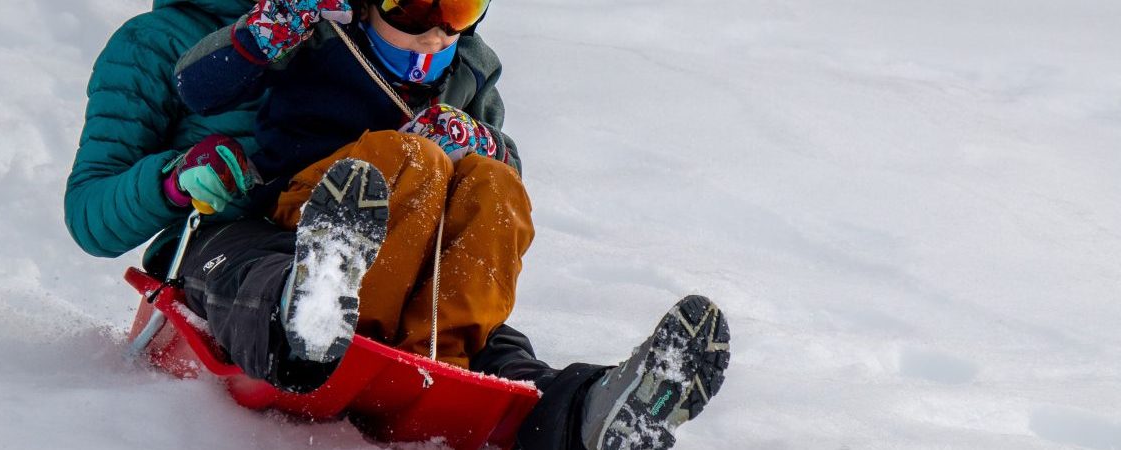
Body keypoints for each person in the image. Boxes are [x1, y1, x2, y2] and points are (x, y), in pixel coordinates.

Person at [66, 1, 730, 449]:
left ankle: (583, 410)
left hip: (387, 252)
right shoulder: (163, 43)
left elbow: (488, 177)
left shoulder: (393, 28)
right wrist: (173, 179)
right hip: (233, 241)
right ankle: (305, 316)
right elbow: (91, 215)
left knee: (486, 340)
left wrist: (481, 144)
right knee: (267, 275)